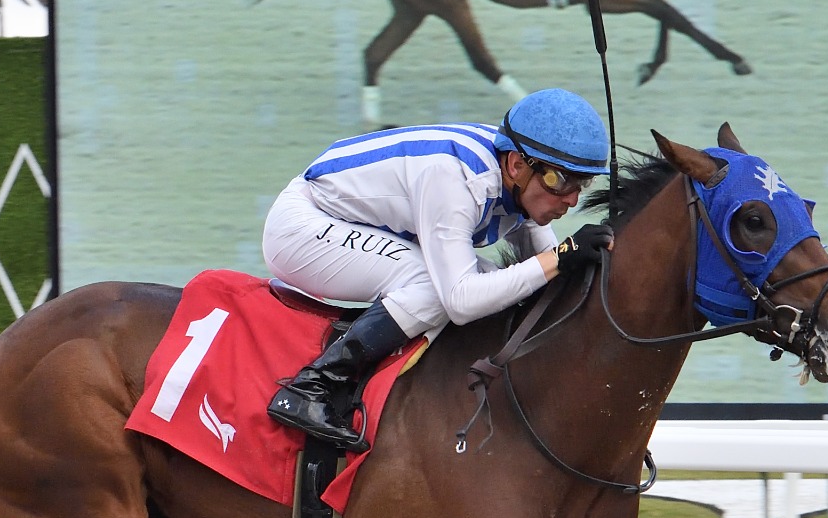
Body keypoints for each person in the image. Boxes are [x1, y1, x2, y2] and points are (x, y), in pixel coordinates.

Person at [263, 87, 615, 452]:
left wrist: (579, 260)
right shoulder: (457, 179)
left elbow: (545, 274)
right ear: (516, 165)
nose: (572, 200)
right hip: (301, 228)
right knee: (437, 289)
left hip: (348, 221)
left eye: (582, 183)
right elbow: (462, 301)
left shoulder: (519, 173)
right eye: (561, 181)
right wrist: (559, 258)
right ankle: (313, 385)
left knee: (497, 278)